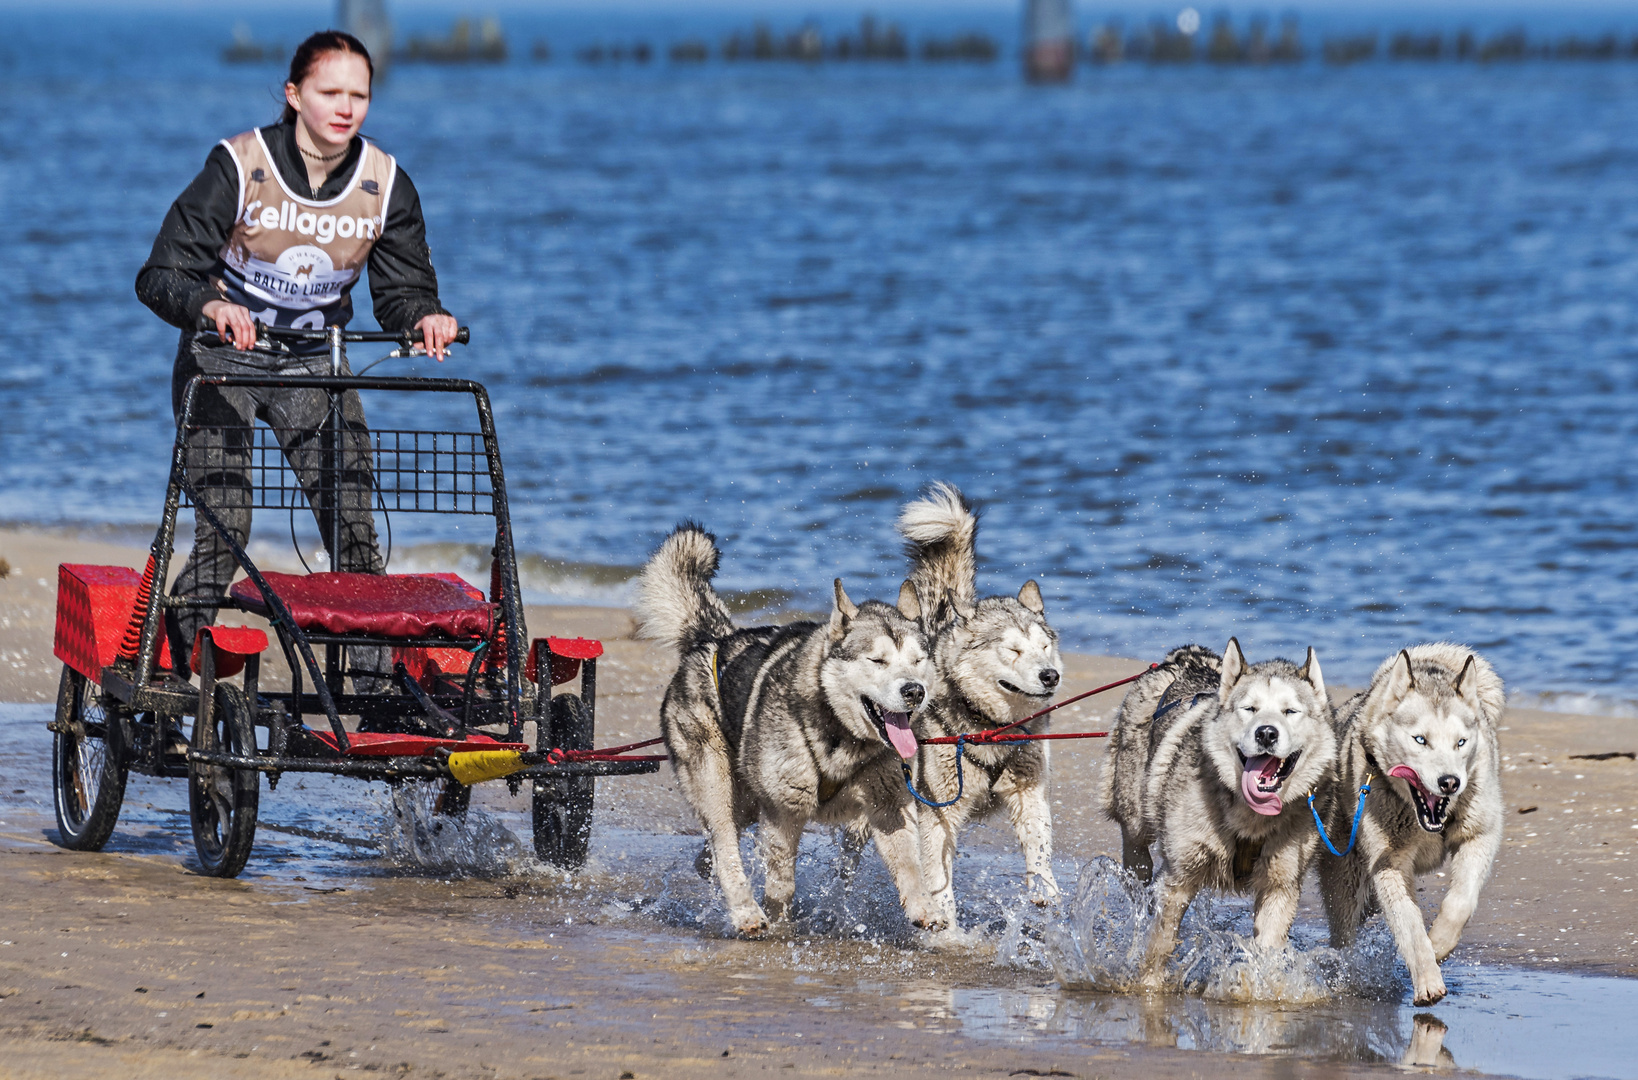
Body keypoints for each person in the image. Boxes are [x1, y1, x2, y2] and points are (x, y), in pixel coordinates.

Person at [136, 29, 458, 680]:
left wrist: (424, 316)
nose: (346, 107)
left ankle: (368, 690)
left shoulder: (385, 183)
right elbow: (161, 274)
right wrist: (210, 305)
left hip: (315, 365)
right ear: (294, 94)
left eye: (359, 95)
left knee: (354, 528)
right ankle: (172, 668)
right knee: (228, 524)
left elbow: (401, 293)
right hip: (221, 363)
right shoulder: (240, 164)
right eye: (329, 92)